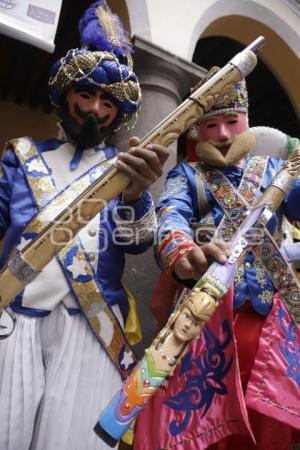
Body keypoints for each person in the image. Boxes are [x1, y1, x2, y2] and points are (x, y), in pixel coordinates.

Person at [0, 2, 169, 449]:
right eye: (87, 95)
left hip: (92, 327)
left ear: (120, 111)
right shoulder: (21, 155)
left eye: (108, 101)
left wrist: (134, 195)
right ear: (67, 95)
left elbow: (138, 243)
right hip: (15, 316)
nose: (95, 108)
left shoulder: (125, 167)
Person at [134, 76, 300, 450]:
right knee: (198, 431)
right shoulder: (187, 176)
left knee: (267, 432)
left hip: (270, 327)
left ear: (247, 119)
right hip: (204, 322)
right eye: (211, 124)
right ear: (196, 130)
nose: (223, 134)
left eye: (232, 121)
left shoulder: (278, 171)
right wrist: (182, 251)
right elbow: (171, 216)